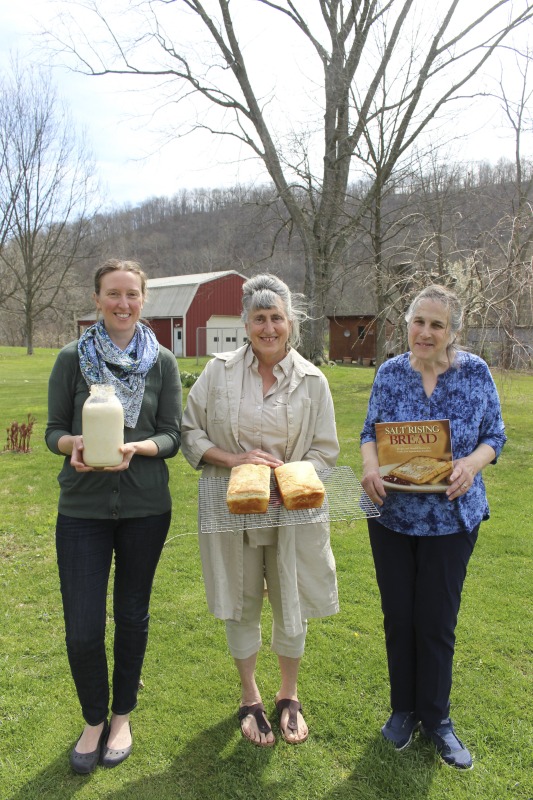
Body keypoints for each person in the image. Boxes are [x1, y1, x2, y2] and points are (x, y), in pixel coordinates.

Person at [181, 274, 339, 747]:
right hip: (235, 513)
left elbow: (325, 452)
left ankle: (288, 695)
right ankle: (250, 697)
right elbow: (191, 432)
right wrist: (235, 461)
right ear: (245, 322)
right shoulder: (218, 373)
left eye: (276, 318)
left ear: (290, 323)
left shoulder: (313, 380)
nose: (268, 328)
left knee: (291, 603)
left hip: (291, 514)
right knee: (242, 601)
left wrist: (287, 478)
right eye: (259, 318)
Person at [360, 284, 506, 770]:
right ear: (408, 325)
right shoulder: (390, 374)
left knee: (436, 623)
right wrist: (369, 467)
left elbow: (494, 436)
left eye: (437, 325)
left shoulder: (475, 374)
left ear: (453, 332)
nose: (425, 332)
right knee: (400, 618)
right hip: (393, 519)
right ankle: (403, 711)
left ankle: (437, 720)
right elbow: (369, 434)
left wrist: (471, 464)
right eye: (418, 322)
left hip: (451, 520)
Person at [45, 259, 182, 774]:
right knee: (82, 627)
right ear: (97, 299)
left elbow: (174, 433)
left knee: (131, 614)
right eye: (112, 294)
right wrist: (71, 444)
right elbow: (51, 429)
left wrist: (140, 446)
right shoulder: (70, 359)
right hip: (82, 508)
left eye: (131, 294)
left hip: (146, 508)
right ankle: (92, 719)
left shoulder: (162, 362)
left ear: (143, 299)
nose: (122, 303)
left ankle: (121, 716)